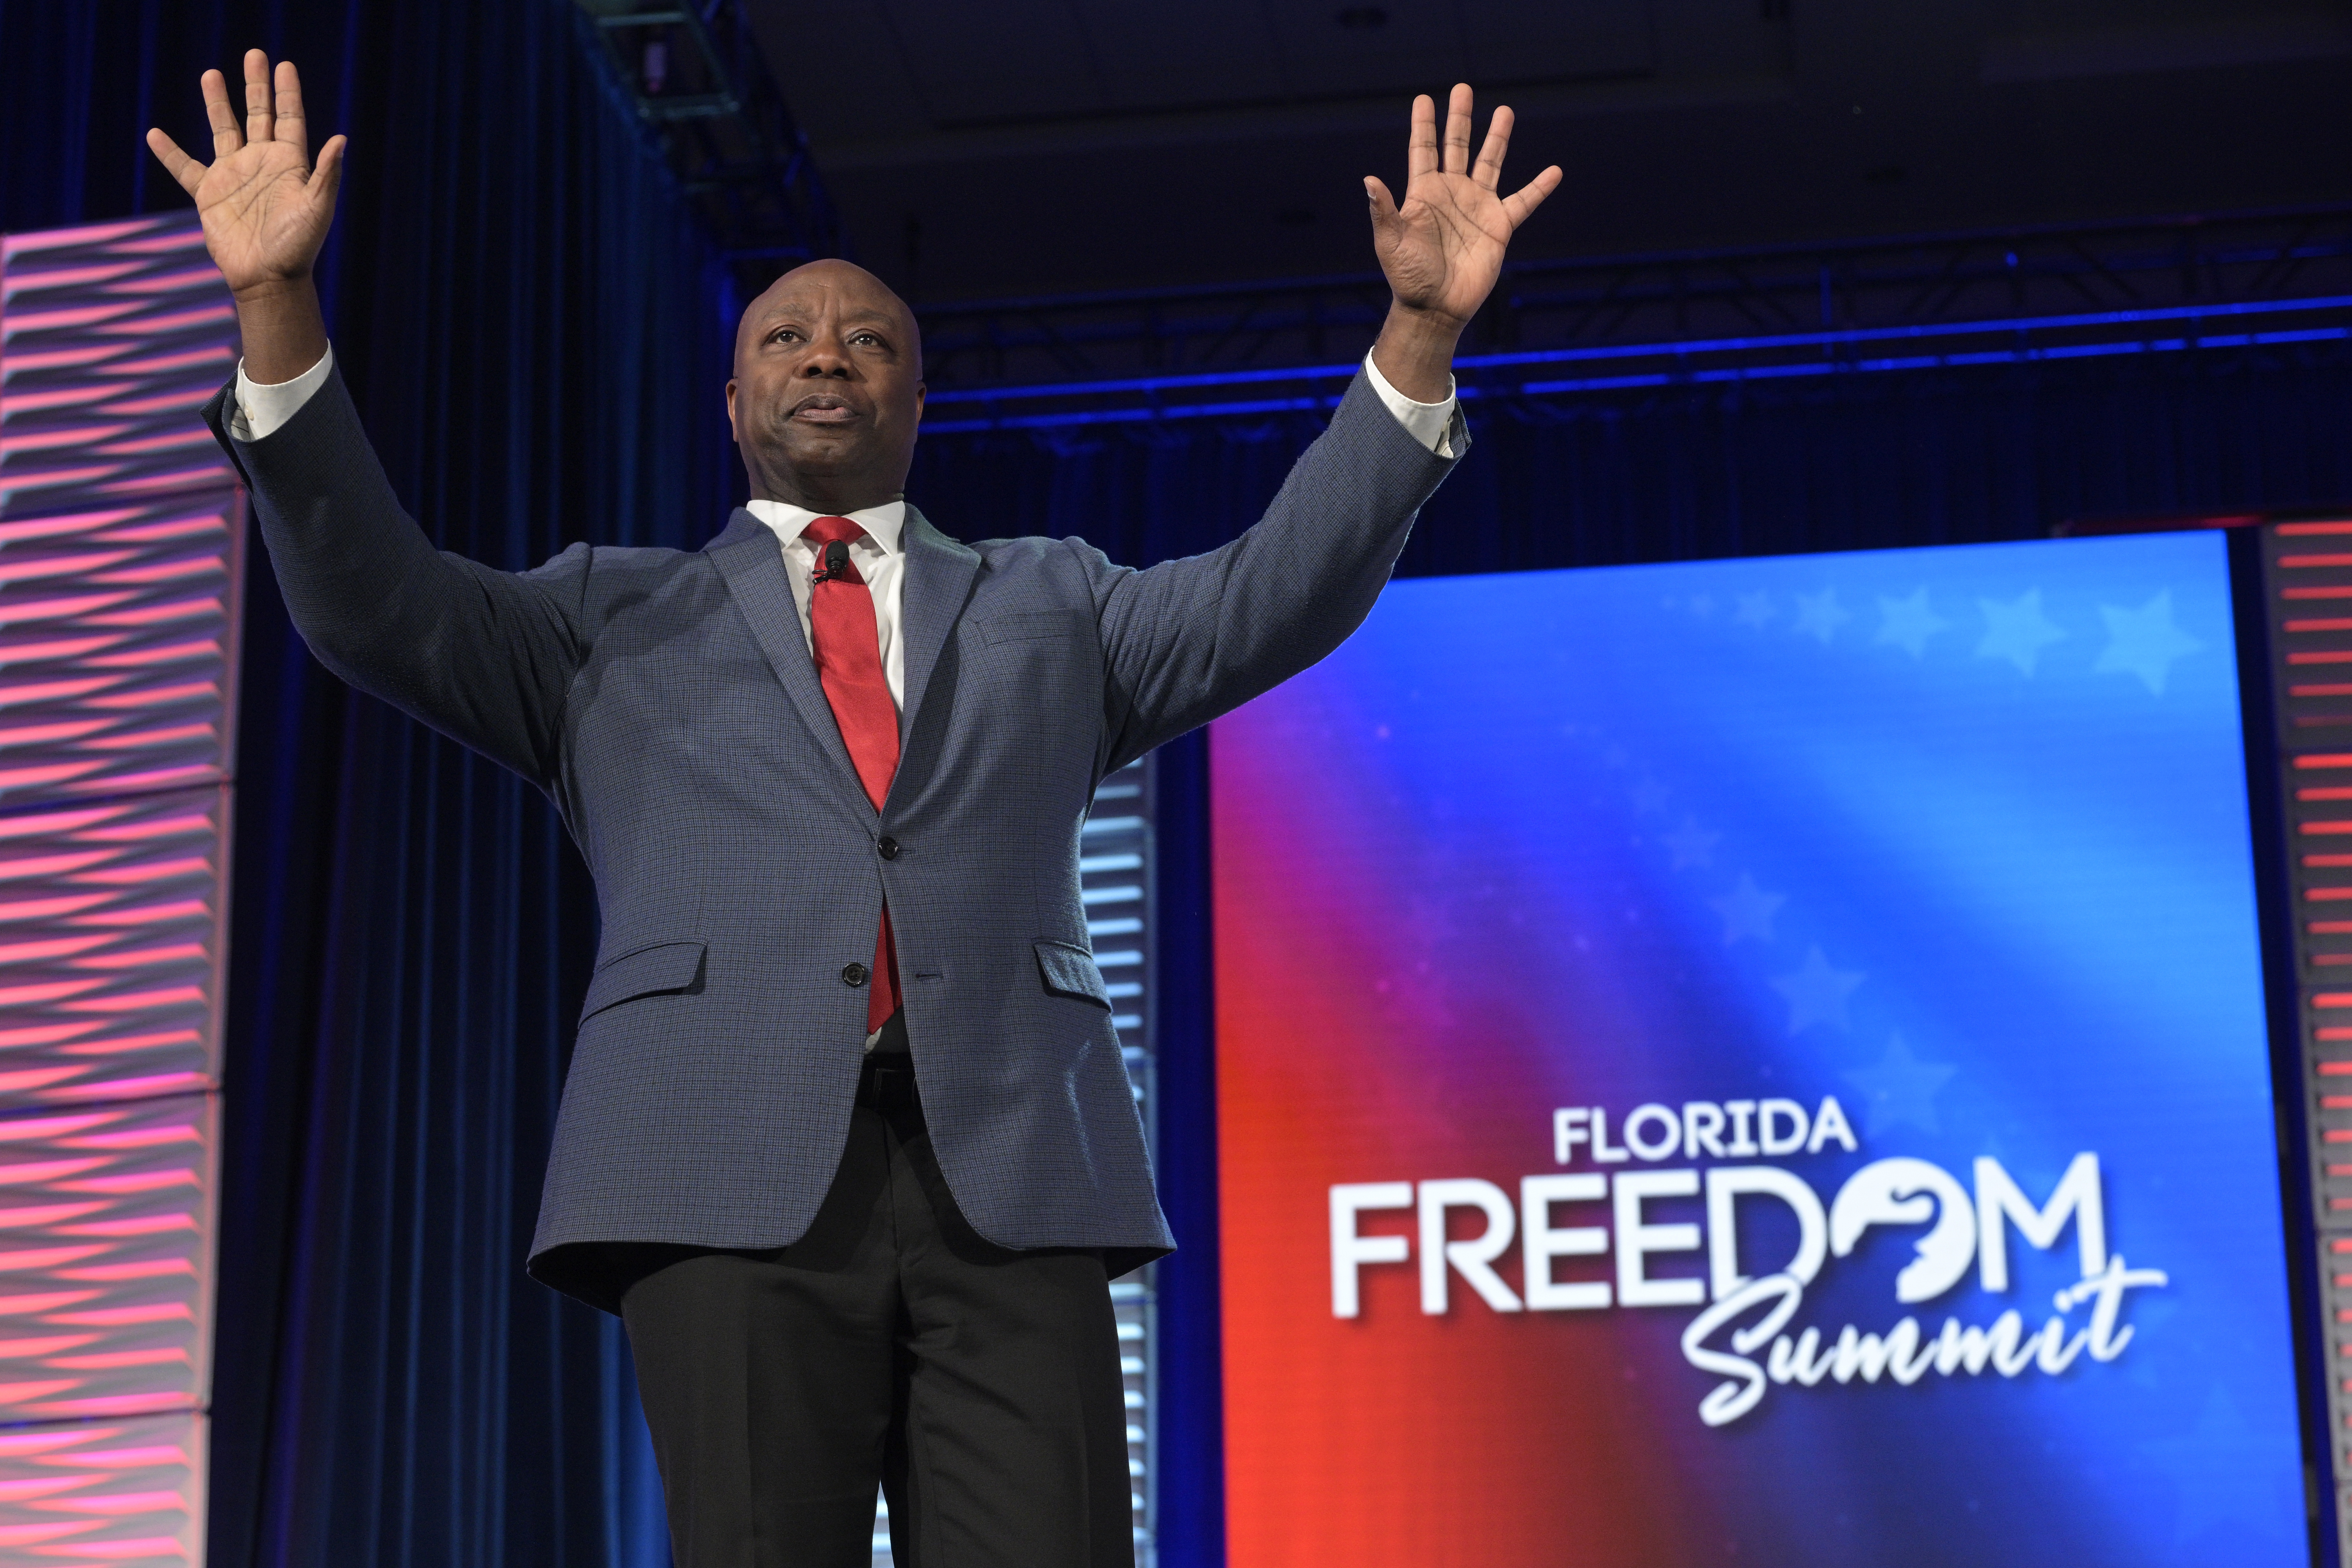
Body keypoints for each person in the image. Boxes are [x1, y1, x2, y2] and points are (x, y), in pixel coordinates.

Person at [151, 48, 1559, 1568]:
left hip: (1012, 1170)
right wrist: (275, 314)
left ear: (919, 394)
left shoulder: (1055, 601)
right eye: (790, 337)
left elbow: (1278, 593)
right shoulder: (600, 620)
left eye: (870, 339)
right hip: (719, 1167)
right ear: (735, 392)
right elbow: (373, 603)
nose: (828, 356)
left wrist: (1418, 334)